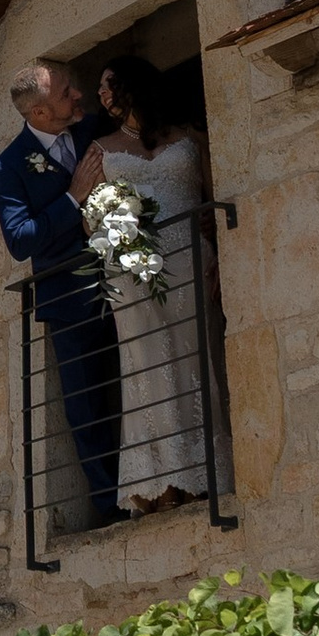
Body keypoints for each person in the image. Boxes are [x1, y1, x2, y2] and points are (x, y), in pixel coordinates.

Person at [73, 57, 213, 513]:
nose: (101, 94)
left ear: (134, 85)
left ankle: (201, 473)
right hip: (132, 271)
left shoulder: (189, 136)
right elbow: (90, 219)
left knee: (196, 360)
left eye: (108, 83)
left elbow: (214, 194)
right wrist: (117, 228)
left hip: (191, 262)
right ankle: (160, 484)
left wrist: (214, 240)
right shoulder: (100, 150)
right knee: (146, 367)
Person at [0, 60, 121, 526]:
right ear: (40, 114)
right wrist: (73, 197)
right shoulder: (10, 165)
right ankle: (109, 506)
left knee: (138, 378)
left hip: (125, 279)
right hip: (69, 300)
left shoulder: (94, 128)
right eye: (66, 93)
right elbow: (20, 239)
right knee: (87, 404)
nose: (78, 95)